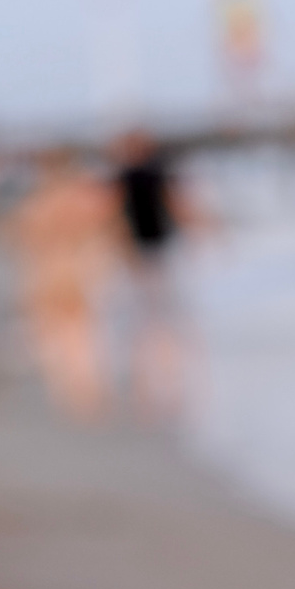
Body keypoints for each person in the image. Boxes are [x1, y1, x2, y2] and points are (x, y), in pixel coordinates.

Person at [13, 148, 115, 419]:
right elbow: (104, 228)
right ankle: (85, 389)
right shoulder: (86, 198)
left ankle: (67, 391)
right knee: (81, 333)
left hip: (47, 272)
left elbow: (24, 239)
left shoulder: (36, 202)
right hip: (79, 270)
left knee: (54, 334)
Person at [110, 130, 191, 418]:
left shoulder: (120, 177)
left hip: (136, 258)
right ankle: (170, 390)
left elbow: (113, 219)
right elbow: (179, 208)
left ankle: (147, 393)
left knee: (142, 326)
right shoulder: (159, 174)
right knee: (164, 324)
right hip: (157, 255)